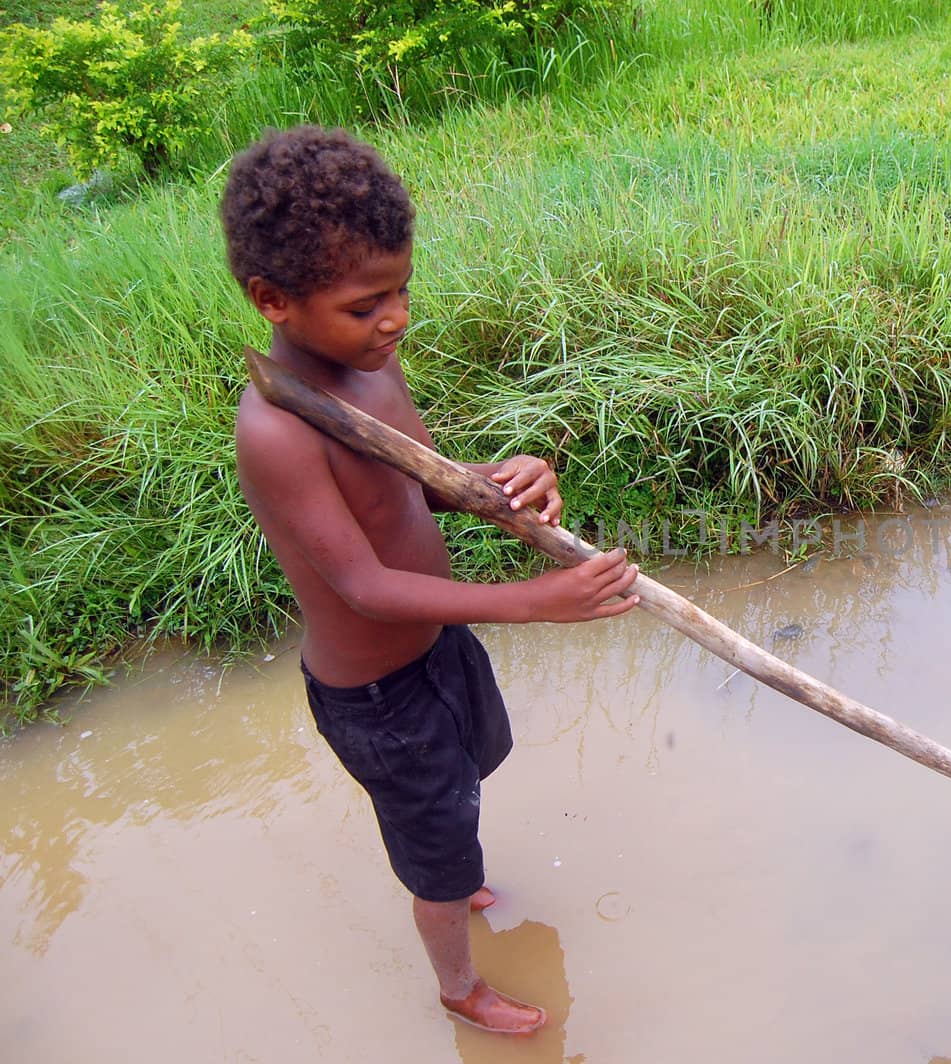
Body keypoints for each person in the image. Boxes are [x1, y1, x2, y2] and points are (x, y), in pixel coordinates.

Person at [223, 125, 640, 1036]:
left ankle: (454, 858)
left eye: (401, 289)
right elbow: (364, 586)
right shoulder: (277, 432)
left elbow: (414, 486)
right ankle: (458, 984)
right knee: (437, 864)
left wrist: (498, 484)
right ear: (273, 300)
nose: (396, 317)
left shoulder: (371, 368)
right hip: (378, 698)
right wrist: (536, 602)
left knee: (467, 781)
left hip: (440, 647)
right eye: (368, 302)